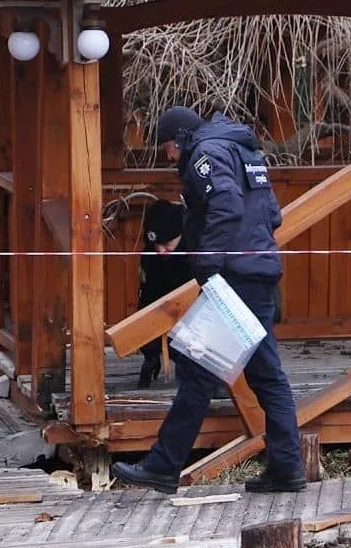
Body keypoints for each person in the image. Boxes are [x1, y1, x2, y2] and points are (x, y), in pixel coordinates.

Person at [112, 106, 305, 495]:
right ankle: (287, 467)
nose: (170, 156)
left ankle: (163, 466)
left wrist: (207, 263)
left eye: (169, 147)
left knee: (198, 372)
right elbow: (272, 214)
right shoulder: (245, 150)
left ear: (182, 138)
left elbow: (227, 205)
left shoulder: (206, 153)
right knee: (266, 376)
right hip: (258, 271)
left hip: (233, 277)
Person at [136, 199, 190, 388]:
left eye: (166, 243)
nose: (160, 251)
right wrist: (151, 352)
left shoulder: (198, 252)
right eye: (156, 245)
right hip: (165, 318)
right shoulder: (150, 258)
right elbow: (147, 302)